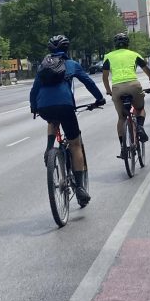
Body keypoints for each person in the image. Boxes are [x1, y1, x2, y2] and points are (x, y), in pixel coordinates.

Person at [29, 34, 105, 207]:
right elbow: (89, 83)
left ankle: (49, 149)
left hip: (45, 108)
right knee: (75, 144)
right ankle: (80, 188)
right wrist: (99, 99)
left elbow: (34, 91)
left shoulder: (43, 66)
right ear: (67, 49)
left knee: (52, 120)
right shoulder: (71, 65)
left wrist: (34, 107)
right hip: (65, 106)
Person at [101, 33, 150, 158]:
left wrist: (108, 91)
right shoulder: (134, 54)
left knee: (121, 118)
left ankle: (123, 148)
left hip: (117, 88)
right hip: (134, 85)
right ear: (128, 44)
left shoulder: (108, 57)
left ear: (115, 45)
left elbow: (105, 77)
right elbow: (147, 71)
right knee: (139, 109)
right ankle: (139, 127)